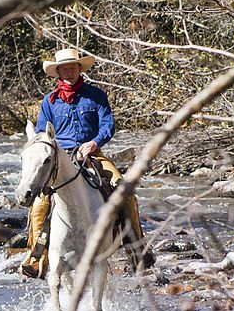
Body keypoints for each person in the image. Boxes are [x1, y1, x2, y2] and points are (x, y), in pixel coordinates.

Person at [21, 47, 151, 278]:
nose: (69, 71)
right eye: (64, 68)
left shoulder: (96, 96)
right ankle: (36, 256)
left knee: (124, 189)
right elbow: (42, 133)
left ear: (79, 69)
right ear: (58, 72)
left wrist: (93, 143)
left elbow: (107, 126)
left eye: (73, 67)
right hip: (58, 158)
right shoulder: (49, 102)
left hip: (92, 154)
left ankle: (136, 249)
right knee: (39, 203)